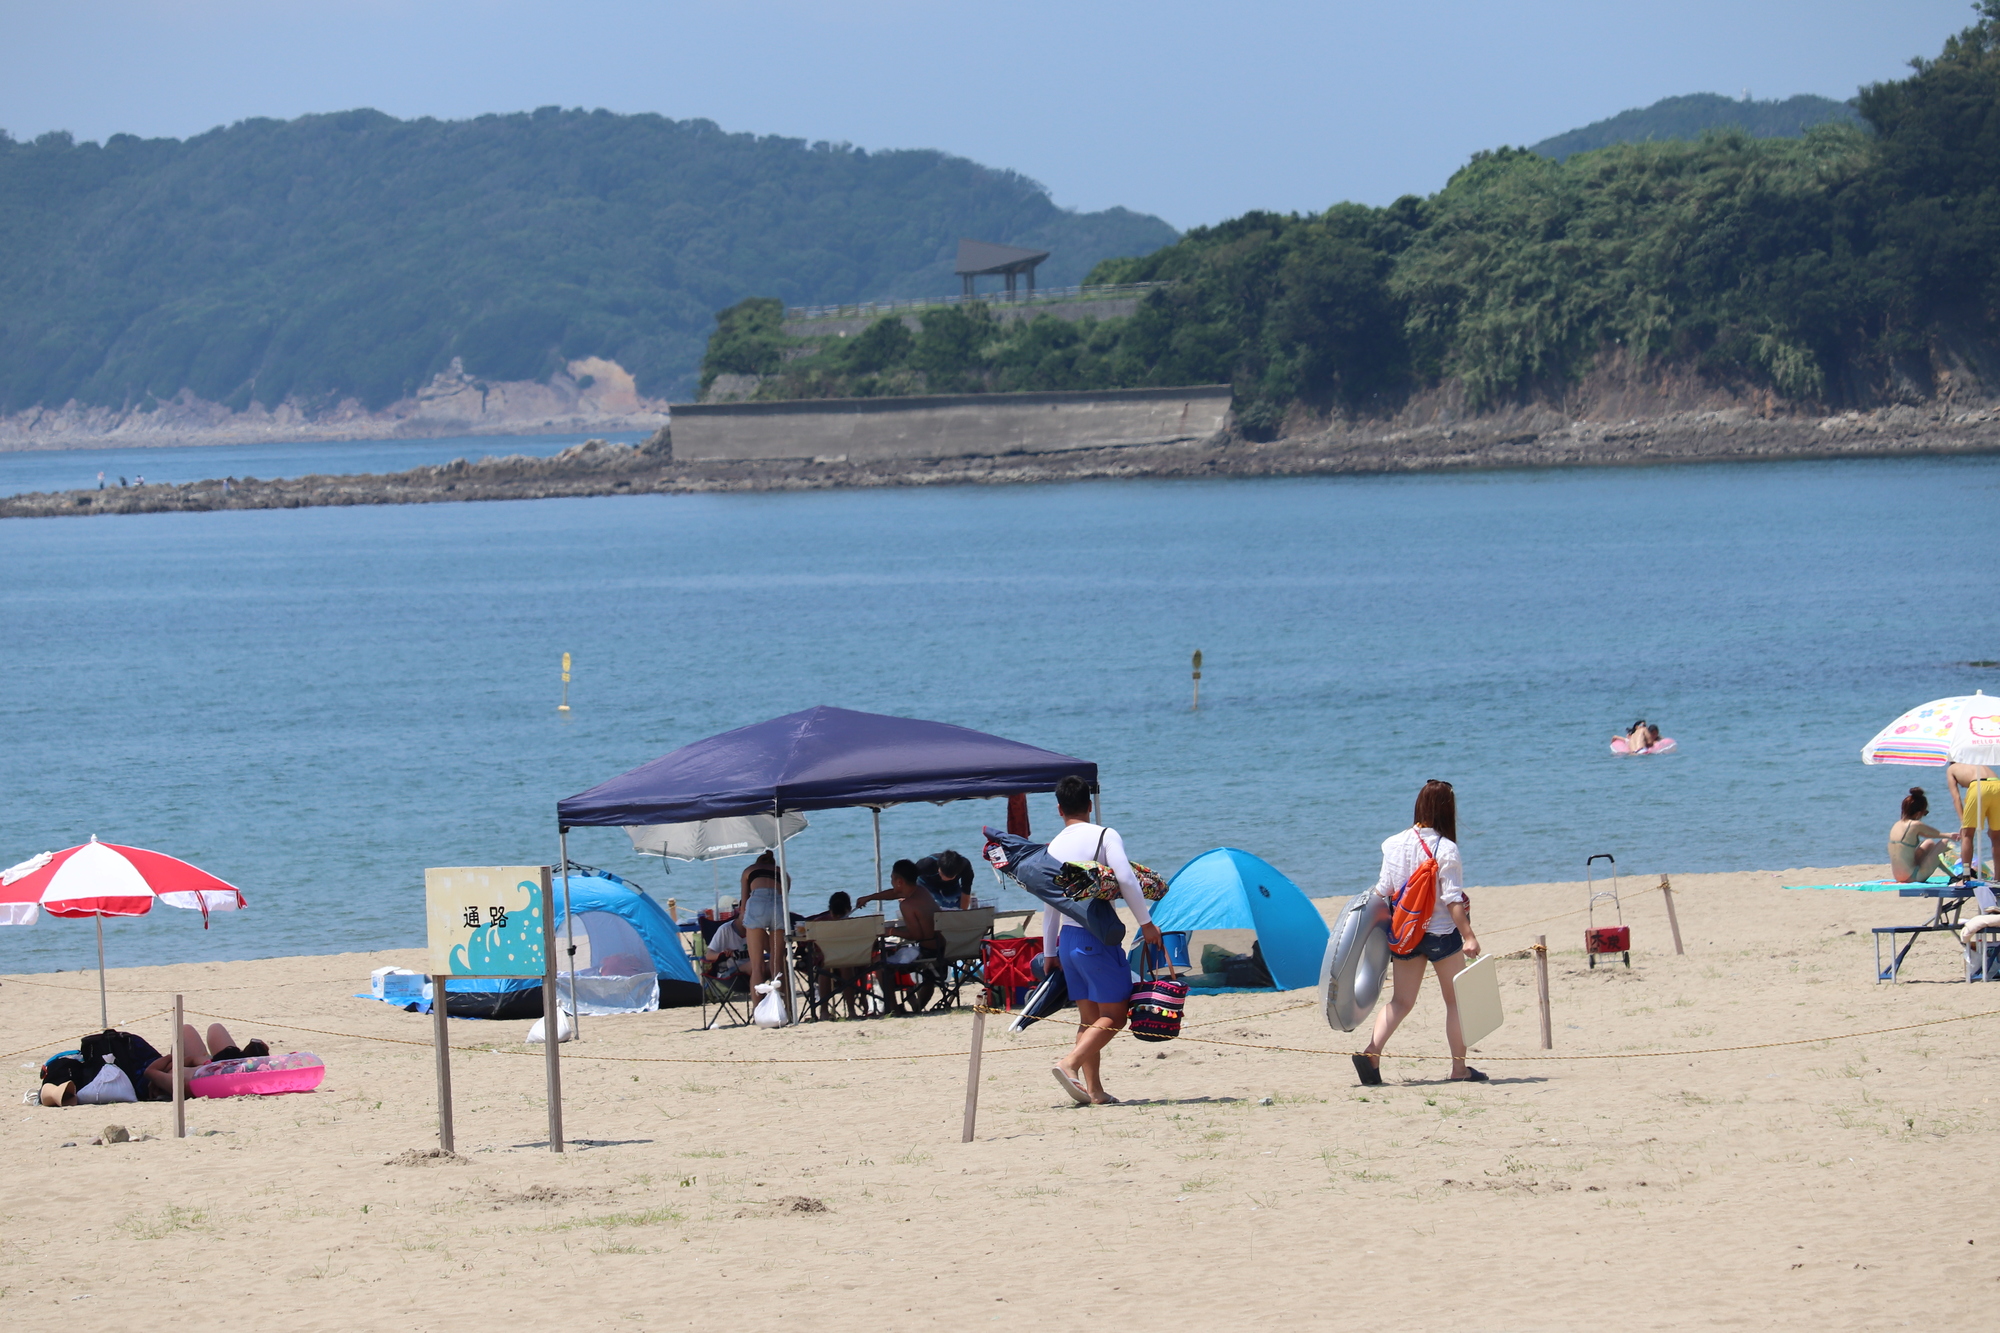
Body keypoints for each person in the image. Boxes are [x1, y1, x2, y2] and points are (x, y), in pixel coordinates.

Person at [1354, 779, 1486, 1086]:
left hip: (1406, 933)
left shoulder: (1393, 844)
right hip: (1442, 935)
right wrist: (1469, 935)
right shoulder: (1447, 848)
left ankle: (1372, 1053)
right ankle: (1459, 1069)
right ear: (1447, 810)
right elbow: (1452, 900)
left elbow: (1383, 890)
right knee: (1455, 1002)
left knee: (1401, 1002)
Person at [1043, 773, 1163, 1107]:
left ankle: (1094, 1091)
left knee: (1090, 1018)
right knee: (1116, 1015)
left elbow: (1049, 901)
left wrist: (1049, 950)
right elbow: (1126, 878)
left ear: (1059, 809)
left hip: (1067, 939)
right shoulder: (1105, 835)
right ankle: (1069, 1063)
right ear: (1090, 805)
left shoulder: (1051, 846)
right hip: (1097, 937)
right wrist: (1147, 923)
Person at [857, 861, 941, 1013]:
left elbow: (916, 935)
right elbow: (895, 893)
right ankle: (916, 1007)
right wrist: (870, 897)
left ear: (899, 881)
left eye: (892, 879)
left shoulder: (907, 905)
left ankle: (894, 1008)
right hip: (941, 949)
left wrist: (890, 932)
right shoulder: (922, 891)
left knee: (880, 963)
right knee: (919, 970)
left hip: (928, 952)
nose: (891, 882)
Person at [143, 1023, 268, 1096]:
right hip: (216, 1068)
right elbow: (192, 1060)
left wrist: (173, 1057)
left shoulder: (181, 1081)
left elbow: (150, 1071)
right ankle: (250, 1056)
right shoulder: (183, 1078)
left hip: (211, 1069)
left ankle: (248, 1056)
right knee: (214, 1027)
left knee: (186, 1029)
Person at [738, 851, 791, 999]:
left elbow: (744, 904)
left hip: (756, 905)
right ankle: (783, 1009)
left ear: (758, 862)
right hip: (778, 906)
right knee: (777, 964)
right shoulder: (783, 874)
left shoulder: (749, 871)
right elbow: (784, 897)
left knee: (757, 966)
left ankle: (758, 1011)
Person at [1947, 761, 2000, 877]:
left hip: (1978, 787)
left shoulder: (1952, 768)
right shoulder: (1977, 762)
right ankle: (1998, 877)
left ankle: (1966, 875)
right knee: (1996, 837)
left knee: (1967, 835)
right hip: (1998, 785)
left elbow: (1956, 798)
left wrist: (1963, 822)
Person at [1889, 787, 1953, 884]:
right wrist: (1951, 835)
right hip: (1913, 876)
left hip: (1898, 877)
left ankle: (1954, 875)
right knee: (1945, 842)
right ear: (1919, 813)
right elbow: (1937, 834)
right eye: (1925, 813)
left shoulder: (1896, 825)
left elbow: (1928, 835)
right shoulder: (1915, 825)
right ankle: (1957, 875)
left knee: (1929, 843)